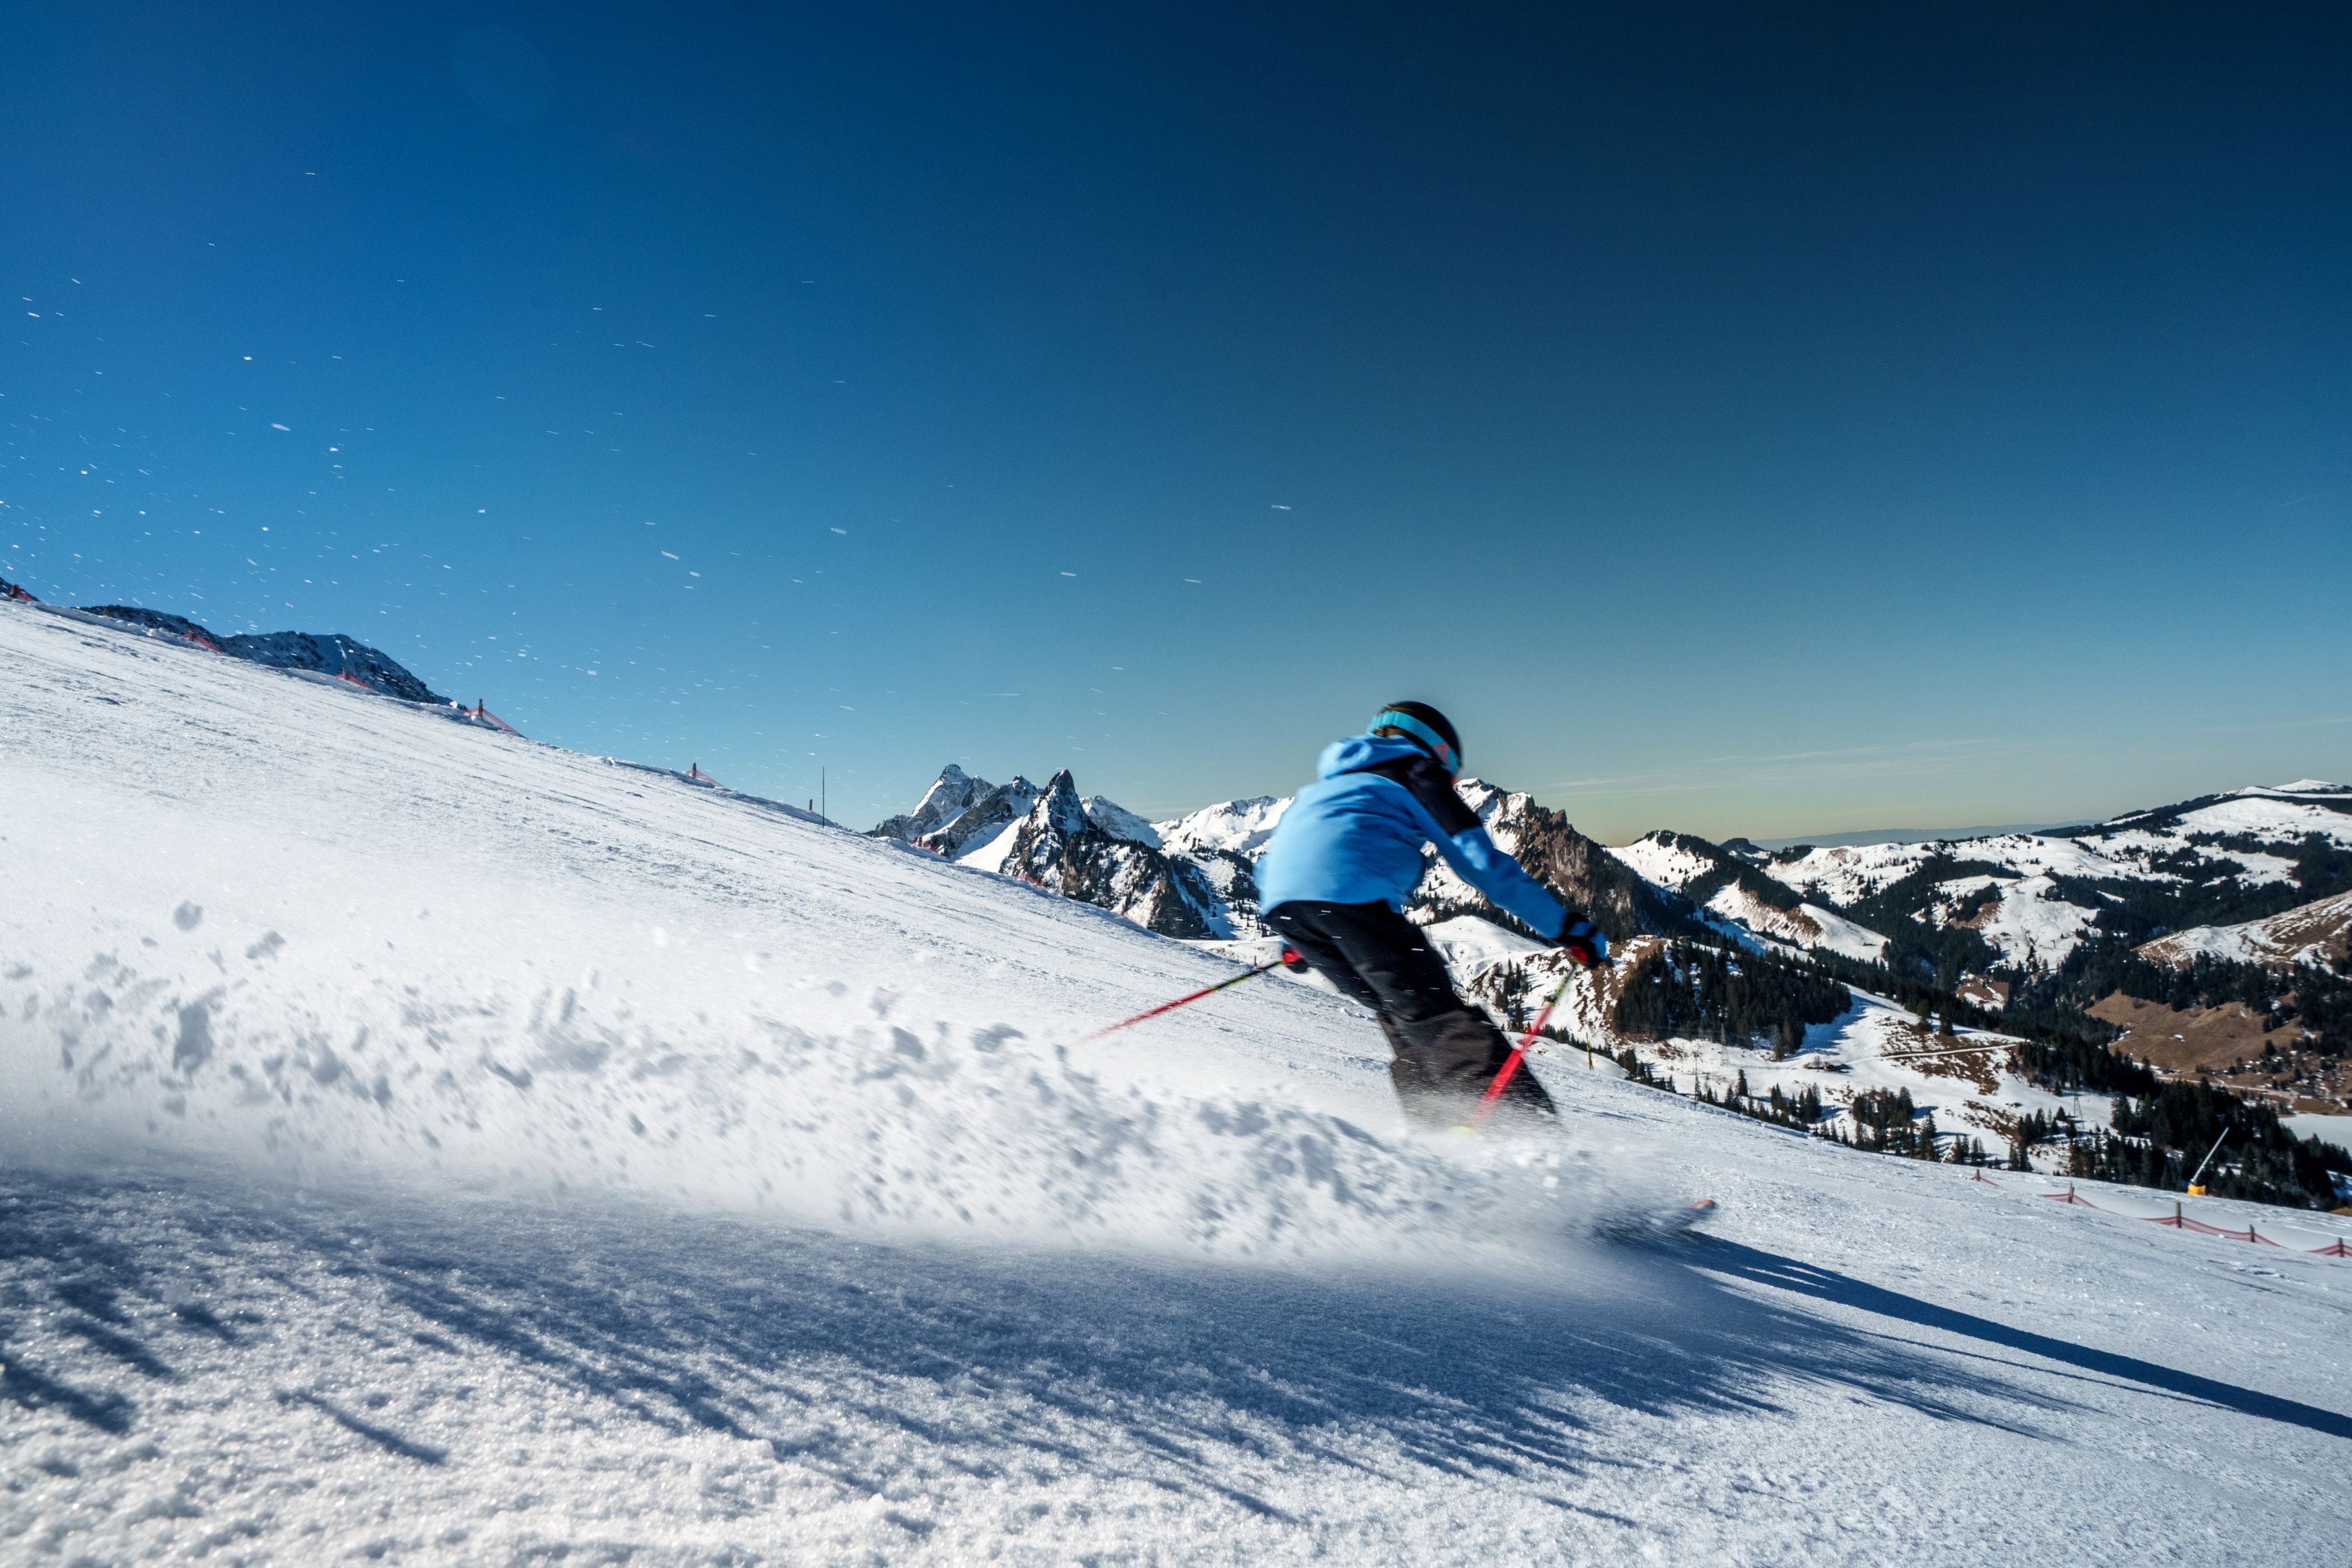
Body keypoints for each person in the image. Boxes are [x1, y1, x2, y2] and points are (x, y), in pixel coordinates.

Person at [1255, 702, 1608, 1131]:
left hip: (1288, 910)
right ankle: (1539, 1155)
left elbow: (1286, 864)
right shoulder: (1416, 773)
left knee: (1404, 1018)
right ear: (1439, 751)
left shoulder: (1321, 791)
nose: (1453, 781)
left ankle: (1436, 1142)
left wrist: (1299, 939)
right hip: (1353, 905)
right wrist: (1565, 927)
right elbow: (1481, 865)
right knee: (1441, 1022)